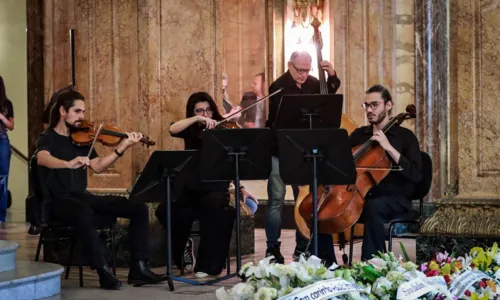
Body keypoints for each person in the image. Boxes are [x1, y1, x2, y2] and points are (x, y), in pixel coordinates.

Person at [35, 87, 162, 290]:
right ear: (62, 111)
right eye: (77, 111)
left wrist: (122, 147)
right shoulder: (47, 137)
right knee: (82, 211)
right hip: (57, 201)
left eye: (83, 112)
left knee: (137, 208)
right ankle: (102, 270)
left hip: (81, 197)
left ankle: (139, 267)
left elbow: (98, 166)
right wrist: (67, 163)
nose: (82, 117)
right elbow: (42, 158)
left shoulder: (81, 138)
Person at [265, 50, 341, 265]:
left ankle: (303, 247)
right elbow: (280, 121)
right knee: (276, 200)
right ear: (290, 65)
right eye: (300, 70)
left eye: (307, 70)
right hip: (279, 150)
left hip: (302, 152)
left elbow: (329, 101)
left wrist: (332, 76)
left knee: (305, 201)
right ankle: (272, 248)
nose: (303, 75)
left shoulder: (314, 84)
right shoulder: (278, 86)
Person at [155, 92, 238, 278]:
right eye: (200, 110)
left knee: (214, 208)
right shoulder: (191, 128)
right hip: (191, 187)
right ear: (193, 112)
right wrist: (196, 119)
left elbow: (232, 162)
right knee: (165, 210)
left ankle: (207, 266)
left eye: (208, 110)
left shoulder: (222, 128)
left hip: (215, 187)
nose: (205, 114)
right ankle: (183, 247)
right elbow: (172, 129)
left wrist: (239, 188)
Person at [349, 84, 422, 260]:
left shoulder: (405, 137)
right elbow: (341, 162)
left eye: (375, 105)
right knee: (321, 207)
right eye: (366, 105)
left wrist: (388, 147)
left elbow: (417, 175)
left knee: (373, 206)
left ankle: (372, 264)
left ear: (388, 105)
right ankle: (326, 262)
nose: (369, 110)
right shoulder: (359, 135)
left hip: (396, 198)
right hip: (362, 195)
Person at [0, 76, 14, 223]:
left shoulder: (7, 104)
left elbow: (11, 126)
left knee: (2, 178)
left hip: (2, 140)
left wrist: (2, 118)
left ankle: (1, 216)